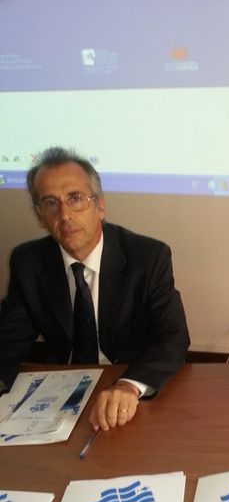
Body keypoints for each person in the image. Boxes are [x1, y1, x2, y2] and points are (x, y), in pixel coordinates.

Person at [0, 147, 190, 430]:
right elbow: (9, 341)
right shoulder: (27, 262)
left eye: (75, 199)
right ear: (40, 216)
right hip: (60, 390)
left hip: (126, 386)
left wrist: (129, 384)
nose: (65, 215)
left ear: (100, 206)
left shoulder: (148, 257)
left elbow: (173, 337)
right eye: (51, 203)